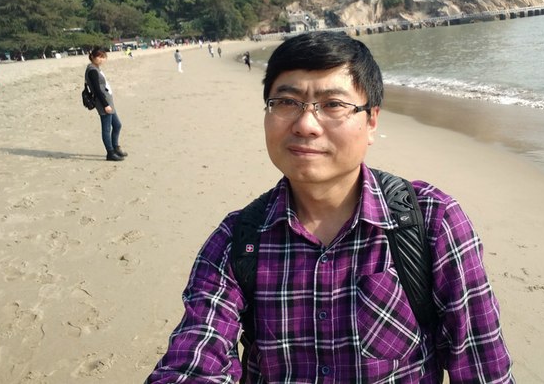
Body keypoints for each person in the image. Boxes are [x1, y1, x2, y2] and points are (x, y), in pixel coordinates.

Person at [145, 32, 513, 383]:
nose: (306, 124)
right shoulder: (238, 239)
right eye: (286, 102)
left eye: (333, 105)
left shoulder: (430, 222)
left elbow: (482, 365)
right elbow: (197, 355)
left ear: (371, 121)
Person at [85, 47, 127, 162]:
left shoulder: (96, 68)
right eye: (99, 57)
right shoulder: (92, 70)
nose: (102, 59)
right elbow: (97, 90)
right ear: (92, 57)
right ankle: (110, 152)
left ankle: (115, 147)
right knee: (106, 129)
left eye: (103, 57)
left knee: (117, 125)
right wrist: (105, 105)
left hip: (108, 101)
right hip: (103, 103)